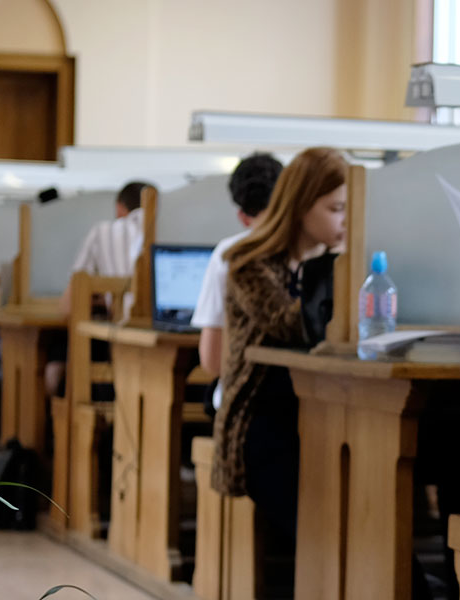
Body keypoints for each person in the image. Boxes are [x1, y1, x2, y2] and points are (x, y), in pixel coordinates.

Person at [210, 147, 349, 587]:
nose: (344, 221)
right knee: (323, 533)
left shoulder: (341, 258)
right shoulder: (249, 262)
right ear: (300, 205)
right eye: (335, 209)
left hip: (326, 415)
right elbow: (297, 326)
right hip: (263, 422)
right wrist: (336, 262)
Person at [196, 153, 285, 410]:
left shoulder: (230, 254)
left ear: (243, 217)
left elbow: (212, 361)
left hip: (245, 399)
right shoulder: (312, 248)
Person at [56, 181, 154, 315]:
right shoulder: (168, 229)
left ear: (119, 207)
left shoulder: (102, 231)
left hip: (123, 324)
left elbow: (73, 295)